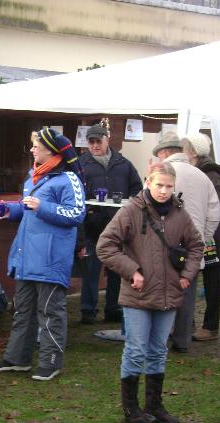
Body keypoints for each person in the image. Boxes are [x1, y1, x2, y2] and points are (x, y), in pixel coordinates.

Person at [97, 162, 204, 423]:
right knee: (136, 350)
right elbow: (105, 246)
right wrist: (132, 270)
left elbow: (196, 245)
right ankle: (131, 408)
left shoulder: (180, 214)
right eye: (159, 185)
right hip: (138, 294)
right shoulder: (131, 211)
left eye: (169, 186)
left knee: (158, 351)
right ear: (148, 182)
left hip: (168, 295)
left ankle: (154, 405)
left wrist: (187, 274)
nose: (164, 191)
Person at [0, 128, 85, 381]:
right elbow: (28, 209)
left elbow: (76, 213)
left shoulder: (68, 179)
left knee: (50, 313)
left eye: (35, 146)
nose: (31, 149)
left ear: (51, 150)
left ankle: (51, 362)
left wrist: (43, 206)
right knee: (22, 311)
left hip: (50, 259)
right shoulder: (33, 177)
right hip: (26, 257)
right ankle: (17, 359)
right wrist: (11, 211)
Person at [153, 131, 220, 352]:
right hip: (193, 246)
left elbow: (146, 208)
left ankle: (160, 339)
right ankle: (182, 340)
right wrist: (202, 237)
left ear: (164, 152)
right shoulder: (202, 176)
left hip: (164, 244)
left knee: (161, 291)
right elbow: (214, 214)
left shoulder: (160, 174)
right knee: (187, 294)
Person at [79, 123, 143, 324]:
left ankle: (113, 308)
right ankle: (88, 310)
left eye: (98, 141)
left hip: (118, 227)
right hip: (92, 227)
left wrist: (128, 211)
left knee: (117, 271)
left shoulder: (123, 164)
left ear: (107, 140)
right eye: (91, 142)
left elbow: (137, 190)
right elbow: (76, 193)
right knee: (91, 271)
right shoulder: (81, 164)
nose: (95, 145)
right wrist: (88, 212)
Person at [181, 133, 220, 341]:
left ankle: (210, 327)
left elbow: (213, 207)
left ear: (193, 152)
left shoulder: (208, 173)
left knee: (213, 284)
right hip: (207, 234)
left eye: (184, 149)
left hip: (214, 238)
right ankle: (188, 322)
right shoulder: (203, 170)